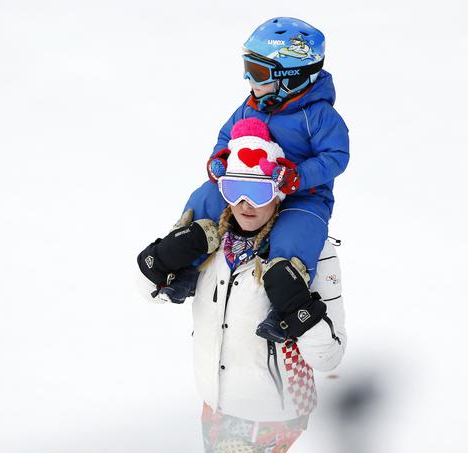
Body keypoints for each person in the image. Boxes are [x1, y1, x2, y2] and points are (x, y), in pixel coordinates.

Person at [137, 121, 346, 452]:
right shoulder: (211, 238)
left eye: (259, 191)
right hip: (215, 405)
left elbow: (330, 357)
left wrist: (298, 308)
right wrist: (161, 259)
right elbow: (147, 292)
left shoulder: (310, 251)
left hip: (277, 415)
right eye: (235, 190)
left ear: (278, 194)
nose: (245, 204)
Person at [159, 17, 350, 345]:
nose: (249, 79)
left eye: (259, 72)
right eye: (247, 68)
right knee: (206, 196)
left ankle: (285, 303)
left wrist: (298, 177)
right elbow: (226, 136)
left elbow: (336, 156)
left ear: (291, 77)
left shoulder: (319, 116)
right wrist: (221, 159)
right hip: (247, 184)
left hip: (301, 194)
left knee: (298, 231)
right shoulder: (251, 105)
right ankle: (186, 264)